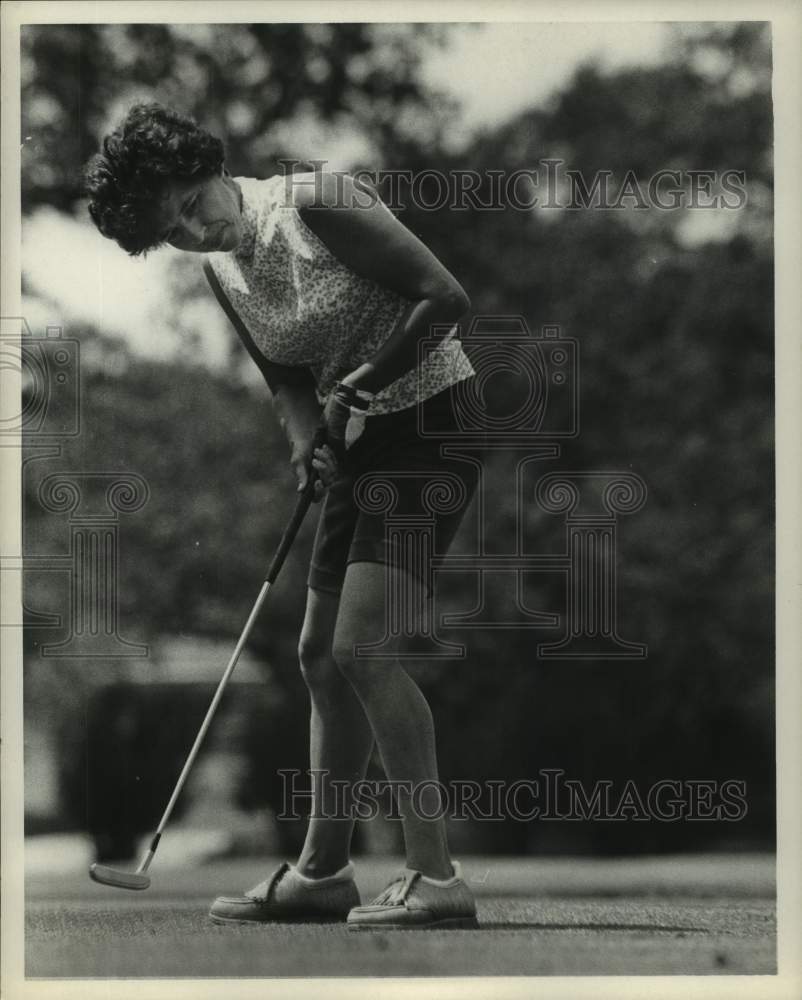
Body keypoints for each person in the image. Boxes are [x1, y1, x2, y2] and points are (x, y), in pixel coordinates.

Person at [85, 103, 480, 930]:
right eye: (174, 234)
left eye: (194, 207)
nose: (197, 233)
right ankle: (322, 873)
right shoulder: (221, 272)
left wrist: (358, 390)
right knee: (318, 656)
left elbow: (445, 299)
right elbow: (287, 382)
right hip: (359, 432)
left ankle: (436, 879)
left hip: (435, 419)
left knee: (364, 648)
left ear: (211, 170)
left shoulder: (317, 202)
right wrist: (308, 442)